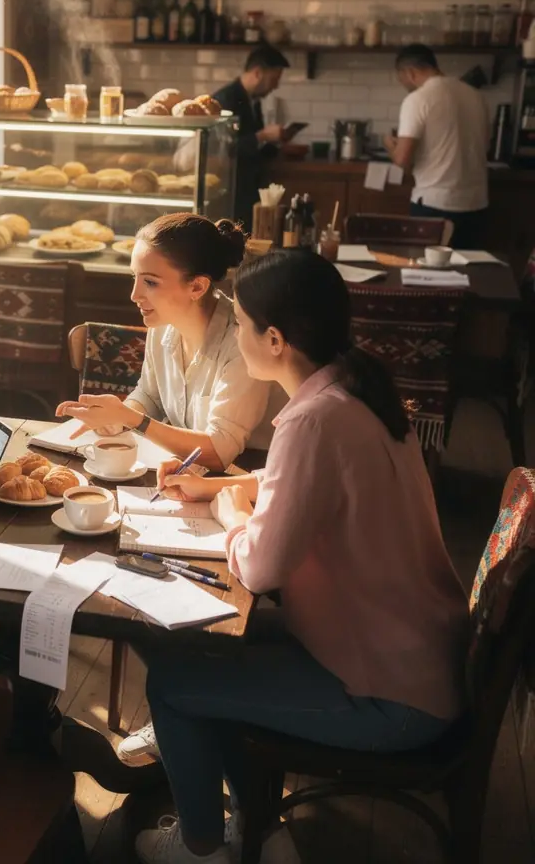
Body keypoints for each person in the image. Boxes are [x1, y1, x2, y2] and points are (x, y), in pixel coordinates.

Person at [133, 250, 468, 864]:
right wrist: (228, 488)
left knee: (175, 680)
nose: (234, 334)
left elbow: (259, 568)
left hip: (387, 697)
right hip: (407, 656)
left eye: (239, 325)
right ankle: (261, 828)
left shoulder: (312, 420)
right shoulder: (355, 387)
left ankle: (204, 848)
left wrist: (231, 513)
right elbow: (308, 484)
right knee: (196, 643)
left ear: (276, 339)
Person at [55, 213, 275, 475]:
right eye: (134, 277)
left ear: (197, 287)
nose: (134, 295)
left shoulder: (242, 342)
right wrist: (117, 419)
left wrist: (131, 419)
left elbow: (218, 453)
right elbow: (149, 395)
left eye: (150, 282)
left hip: (252, 481)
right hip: (193, 478)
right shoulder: (163, 327)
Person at [384, 44, 490, 250]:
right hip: (477, 204)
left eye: (402, 79)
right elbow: (483, 145)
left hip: (435, 204)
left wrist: (390, 145)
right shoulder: (476, 96)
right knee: (469, 276)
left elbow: (402, 159)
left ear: (410, 72)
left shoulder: (417, 99)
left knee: (426, 275)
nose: (404, 84)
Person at [213, 45, 290, 230]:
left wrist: (276, 145)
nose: (276, 86)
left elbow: (251, 143)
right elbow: (225, 150)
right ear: (257, 73)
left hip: (246, 188)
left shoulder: (252, 100)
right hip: (231, 193)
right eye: (274, 79)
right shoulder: (226, 99)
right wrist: (263, 135)